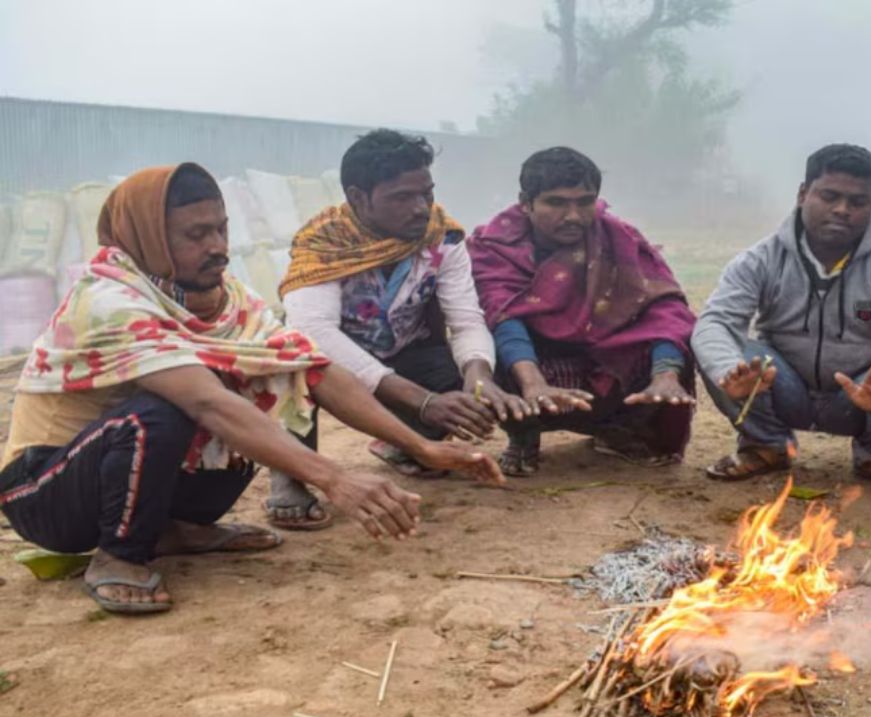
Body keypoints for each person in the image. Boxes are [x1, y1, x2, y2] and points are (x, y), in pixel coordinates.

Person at [0, 164, 502, 615]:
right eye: (195, 235)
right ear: (148, 237)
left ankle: (178, 530)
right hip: (46, 493)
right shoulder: (109, 300)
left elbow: (314, 369)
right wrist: (336, 479)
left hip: (121, 479)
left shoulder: (226, 298)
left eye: (221, 229)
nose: (218, 246)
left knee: (262, 379)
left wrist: (422, 446)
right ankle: (118, 556)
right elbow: (206, 402)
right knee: (164, 413)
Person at [278, 129, 524, 527]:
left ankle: (404, 445)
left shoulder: (443, 236)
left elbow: (465, 319)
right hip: (332, 364)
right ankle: (292, 475)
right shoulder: (322, 245)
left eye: (426, 193)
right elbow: (315, 334)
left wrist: (480, 379)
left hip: (407, 352)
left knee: (464, 375)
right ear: (359, 197)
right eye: (402, 197)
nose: (421, 208)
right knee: (291, 363)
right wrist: (424, 401)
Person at [692, 144, 871, 494]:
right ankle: (765, 446)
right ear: (803, 193)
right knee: (727, 354)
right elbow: (715, 322)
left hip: (857, 395)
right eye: (829, 196)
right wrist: (726, 369)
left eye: (858, 202)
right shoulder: (760, 259)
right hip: (782, 388)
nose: (842, 210)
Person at [468, 147, 697, 476]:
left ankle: (621, 431)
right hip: (534, 367)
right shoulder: (495, 246)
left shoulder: (619, 237)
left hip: (606, 365)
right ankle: (524, 434)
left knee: (677, 340)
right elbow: (504, 316)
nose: (574, 216)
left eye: (585, 202)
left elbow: (664, 309)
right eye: (556, 202)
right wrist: (534, 385)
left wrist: (666, 376)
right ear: (526, 202)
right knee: (485, 349)